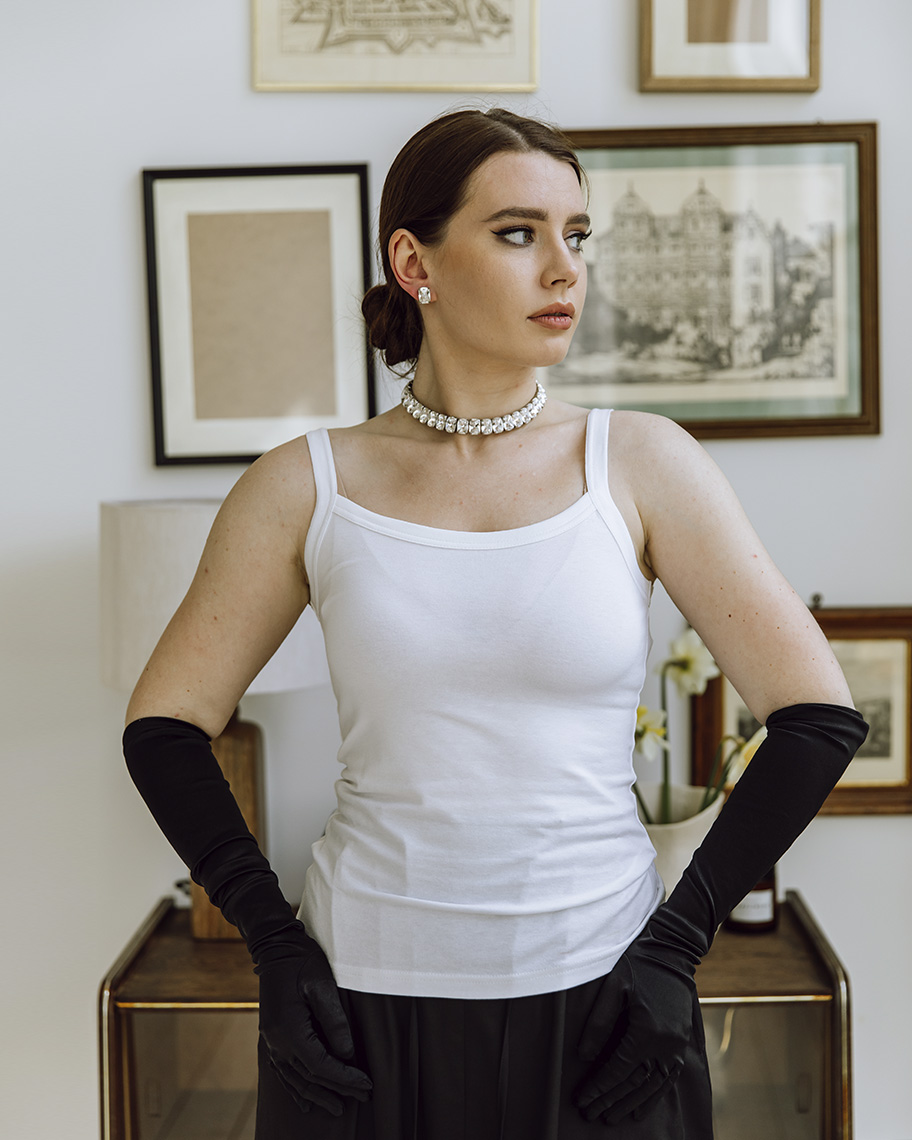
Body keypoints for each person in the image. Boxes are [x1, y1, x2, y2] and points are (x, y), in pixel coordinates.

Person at [122, 108, 867, 1139]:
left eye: (578, 235)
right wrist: (271, 941)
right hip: (359, 1012)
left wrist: (676, 945)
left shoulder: (640, 462)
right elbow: (164, 726)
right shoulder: (304, 484)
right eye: (519, 233)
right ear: (414, 262)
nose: (565, 269)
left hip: (609, 1003)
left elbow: (818, 717)